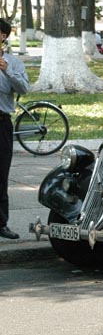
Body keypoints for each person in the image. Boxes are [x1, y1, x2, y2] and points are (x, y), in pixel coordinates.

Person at [0, 18, 30, 239]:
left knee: (1, 175)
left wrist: (8, 71)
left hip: (1, 123)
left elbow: (24, 88)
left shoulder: (13, 63)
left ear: (3, 37)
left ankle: (1, 224)